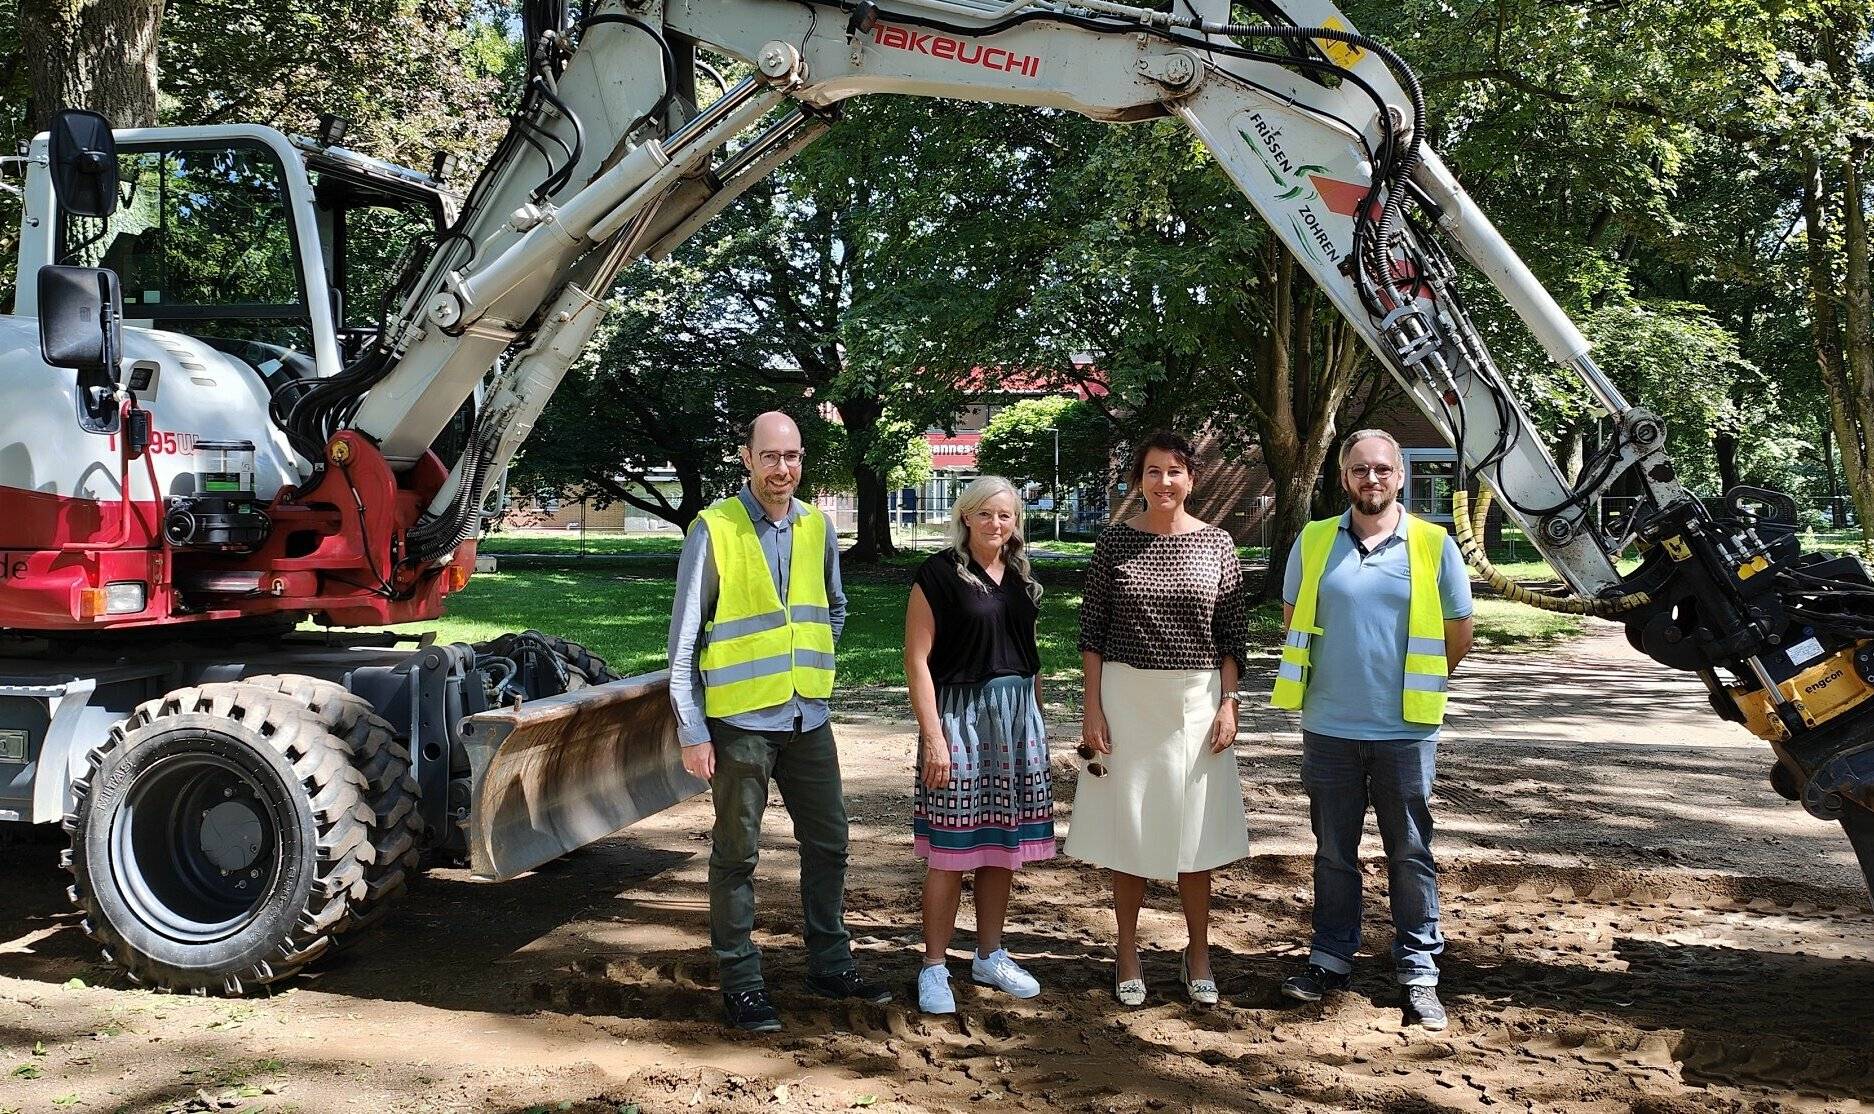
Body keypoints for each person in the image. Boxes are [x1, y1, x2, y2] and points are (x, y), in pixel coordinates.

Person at [667, 411, 891, 1033]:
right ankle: (740, 980)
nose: (782, 469)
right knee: (737, 854)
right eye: (770, 456)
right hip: (739, 723)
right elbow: (684, 641)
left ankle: (830, 963)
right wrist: (693, 728)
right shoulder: (713, 529)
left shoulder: (817, 525)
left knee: (830, 843)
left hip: (807, 716)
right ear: (746, 457)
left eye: (792, 456)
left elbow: (833, 607)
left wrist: (808, 669)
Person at [1271, 428, 1474, 1031]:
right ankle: (1330, 958)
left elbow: (1458, 635)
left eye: (1383, 469)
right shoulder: (1311, 542)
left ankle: (1419, 970)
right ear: (1343, 478)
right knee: (1334, 852)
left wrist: (1409, 687)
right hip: (1329, 727)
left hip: (1405, 730)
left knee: (1410, 851)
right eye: (1360, 470)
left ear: (1401, 476)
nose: (1372, 479)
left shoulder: (1434, 545)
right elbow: (1293, 620)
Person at [1066, 431, 1251, 1007]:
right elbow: (1091, 633)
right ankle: (1127, 951)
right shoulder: (1113, 542)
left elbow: (1233, 637)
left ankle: (1197, 951)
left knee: (1194, 831)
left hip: (1196, 702)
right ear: (1138, 481)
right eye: (1152, 471)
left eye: (1174, 471)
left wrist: (1228, 702)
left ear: (1191, 479)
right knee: (1132, 830)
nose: (1163, 481)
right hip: (1126, 699)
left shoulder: (1218, 544)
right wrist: (1092, 708)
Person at [903, 475, 1055, 1015]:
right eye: (986, 514)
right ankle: (934, 966)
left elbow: (1029, 656)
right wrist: (933, 738)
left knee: (1000, 848)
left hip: (1016, 724)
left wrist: (1036, 727)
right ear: (966, 517)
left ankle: (990, 954)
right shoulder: (938, 575)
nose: (997, 524)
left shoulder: (1019, 578)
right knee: (950, 852)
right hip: (960, 720)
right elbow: (917, 661)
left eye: (1006, 516)